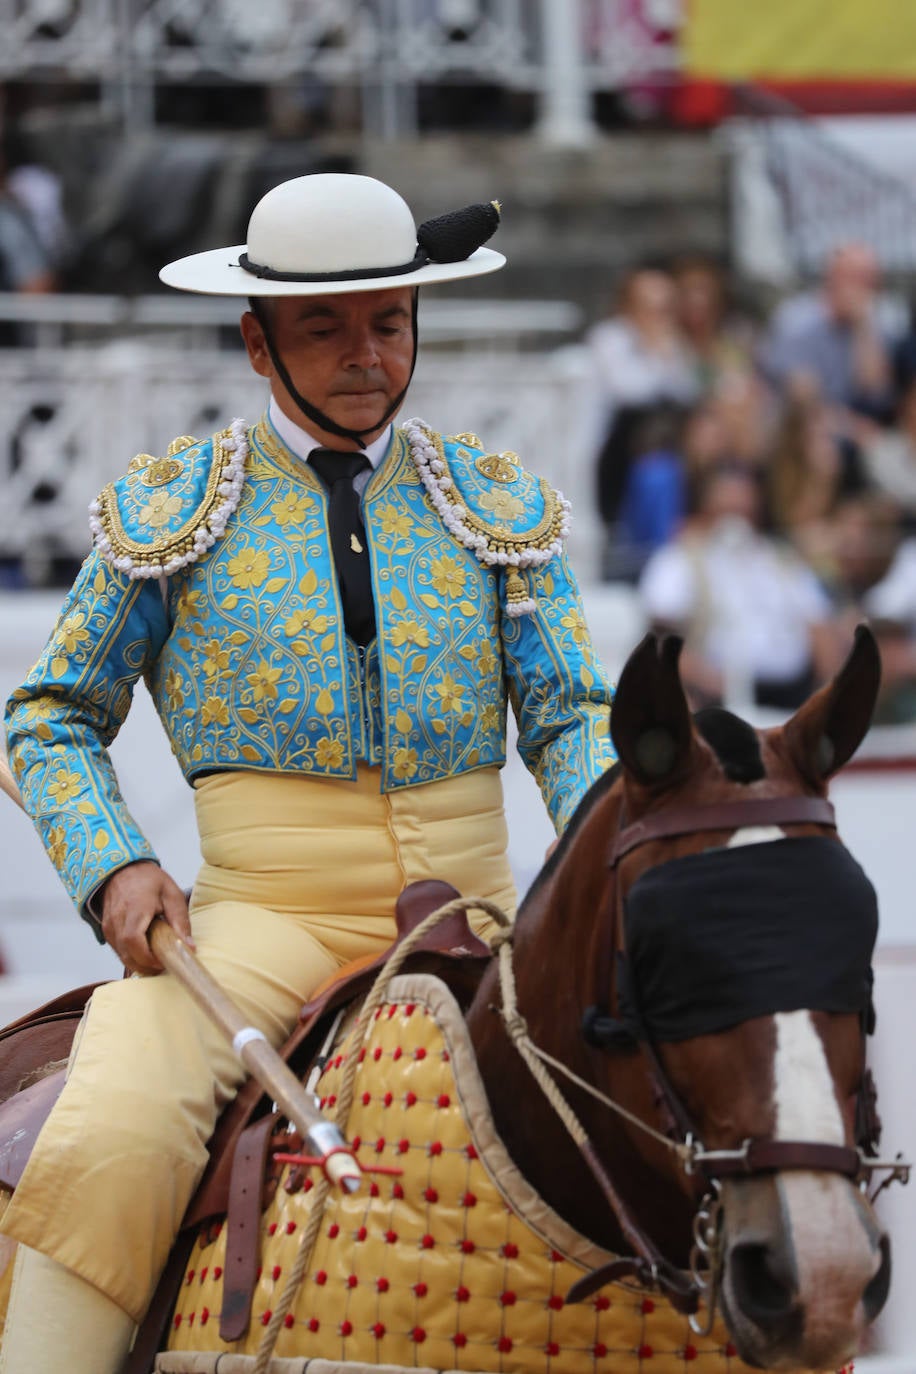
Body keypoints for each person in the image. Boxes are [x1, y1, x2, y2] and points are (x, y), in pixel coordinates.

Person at [0, 172, 616, 1371]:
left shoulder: (493, 504)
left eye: (388, 323)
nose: (365, 356)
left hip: (483, 918)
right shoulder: (177, 508)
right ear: (256, 340)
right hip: (261, 926)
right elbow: (50, 717)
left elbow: (568, 717)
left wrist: (607, 855)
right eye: (325, 327)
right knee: (117, 1130)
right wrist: (116, 866)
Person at [638, 462, 840, 711]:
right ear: (705, 508)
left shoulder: (784, 561)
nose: (736, 521)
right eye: (726, 510)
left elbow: (820, 627)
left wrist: (826, 699)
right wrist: (707, 680)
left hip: (790, 696)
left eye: (745, 511)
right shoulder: (678, 560)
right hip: (713, 698)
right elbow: (658, 639)